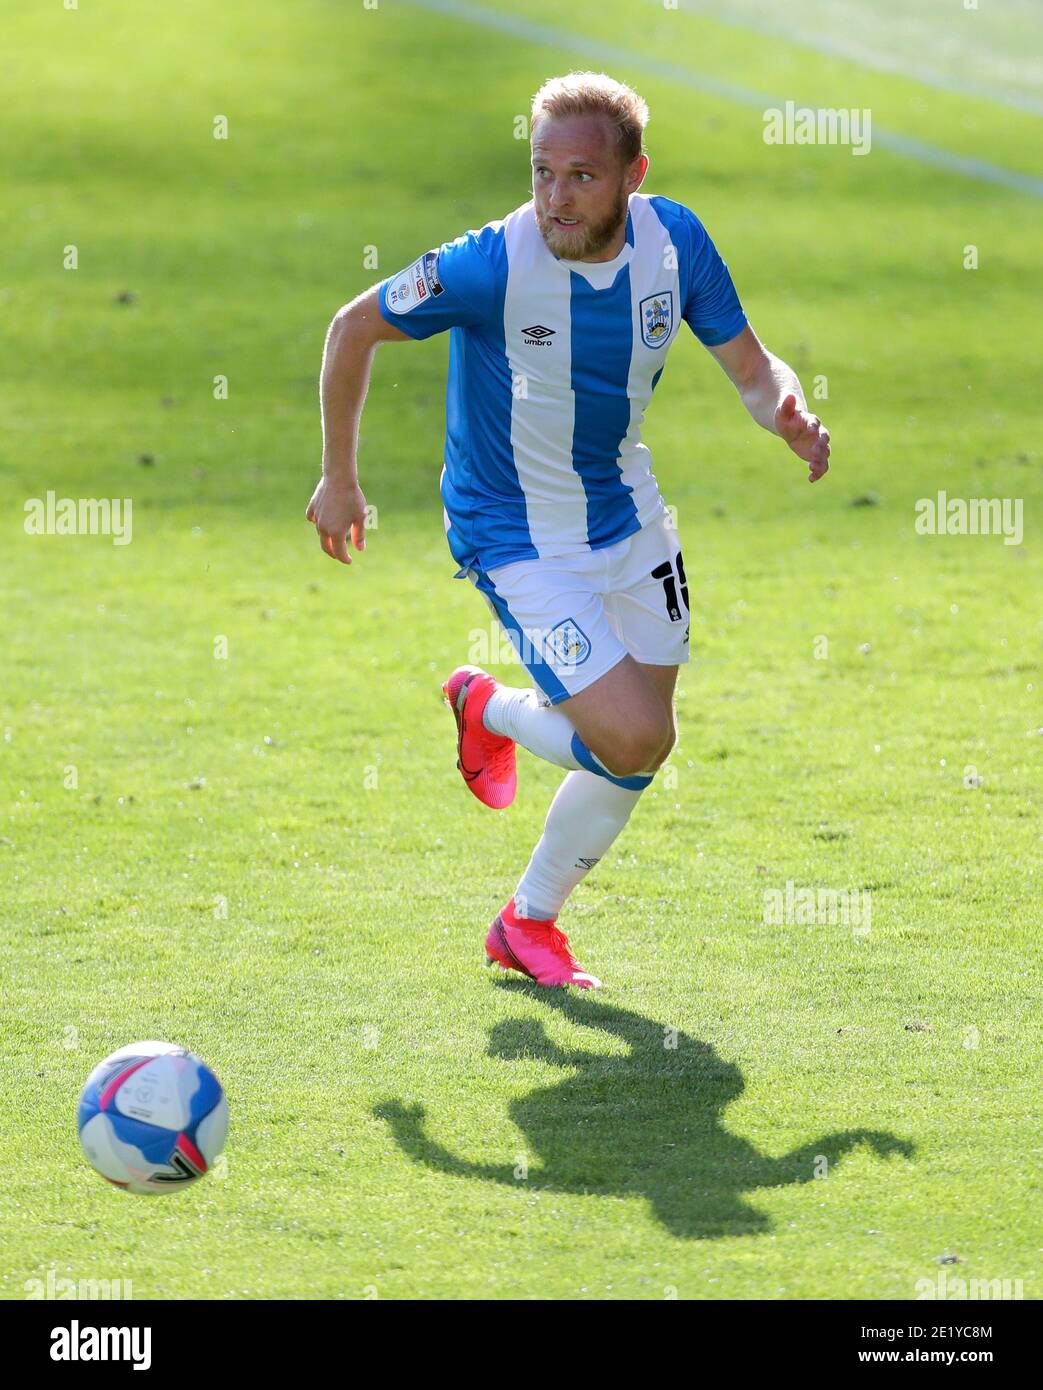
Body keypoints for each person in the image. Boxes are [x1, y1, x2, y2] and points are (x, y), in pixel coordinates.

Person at [307, 71, 830, 989]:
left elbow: (751, 370)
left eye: (582, 175)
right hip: (511, 532)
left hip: (627, 512)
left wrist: (783, 405)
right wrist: (339, 478)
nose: (555, 196)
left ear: (634, 175)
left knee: (645, 742)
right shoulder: (489, 265)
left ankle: (526, 924)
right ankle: (490, 708)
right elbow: (353, 328)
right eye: (542, 172)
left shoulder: (677, 244)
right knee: (626, 739)